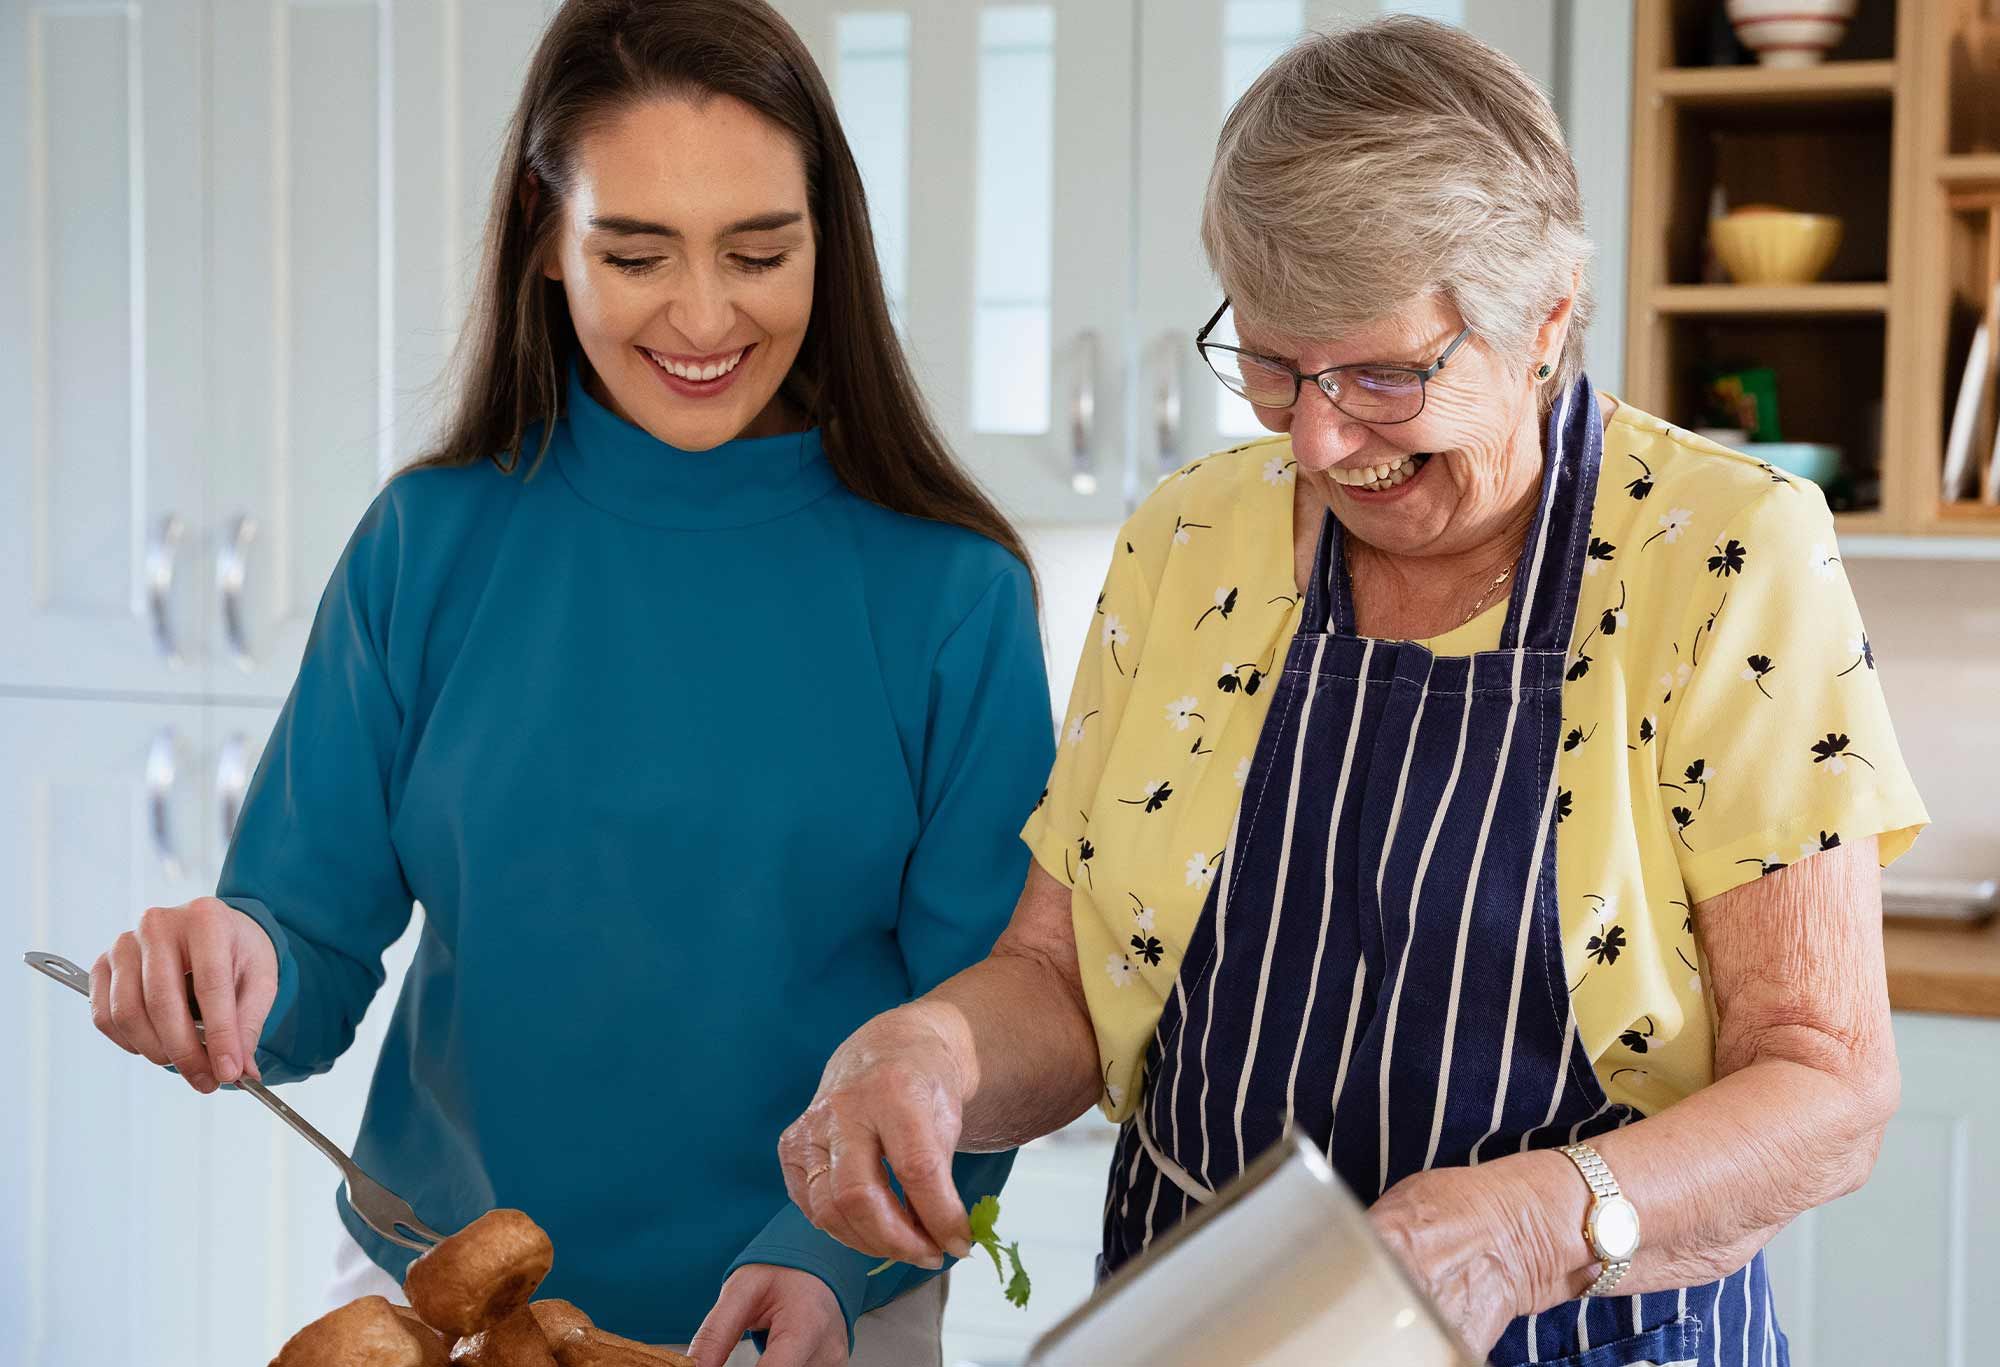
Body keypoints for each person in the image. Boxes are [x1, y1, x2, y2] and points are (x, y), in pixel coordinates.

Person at [773, 18, 1927, 1366]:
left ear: (1547, 318)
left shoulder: (1726, 556)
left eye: (1385, 374)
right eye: (1272, 363)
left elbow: (1828, 1085)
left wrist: (1533, 1221)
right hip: (1202, 1328)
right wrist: (926, 1055)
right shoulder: (1192, 538)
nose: (1319, 439)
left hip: (1589, 1334)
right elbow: (1064, 978)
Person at [81, 2, 1052, 1363]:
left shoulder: (953, 596)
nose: (704, 315)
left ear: (826, 245)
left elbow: (988, 1031)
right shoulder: (428, 545)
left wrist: (825, 1261)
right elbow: (299, 957)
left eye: (758, 251)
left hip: (807, 1315)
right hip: (451, 1311)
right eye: (635, 252)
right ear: (545, 238)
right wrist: (228, 972)